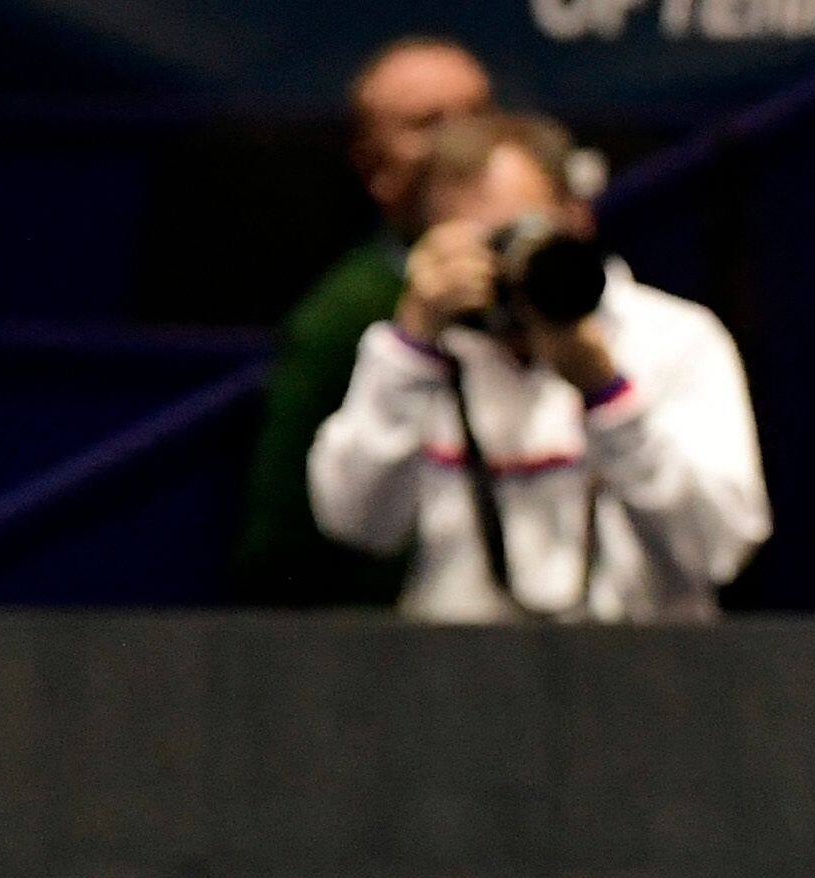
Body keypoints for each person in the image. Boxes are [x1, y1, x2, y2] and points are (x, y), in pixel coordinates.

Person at [306, 112, 769, 623]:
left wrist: (607, 394)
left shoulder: (672, 339)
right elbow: (355, 523)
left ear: (576, 217)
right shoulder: (418, 359)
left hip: (644, 673)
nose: (502, 268)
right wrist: (412, 345)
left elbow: (719, 550)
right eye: (475, 247)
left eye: (517, 238)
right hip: (459, 678)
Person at [234, 35, 492, 607]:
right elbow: (285, 539)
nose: (461, 145)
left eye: (476, 116)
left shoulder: (561, 299)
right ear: (371, 161)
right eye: (427, 124)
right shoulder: (345, 314)